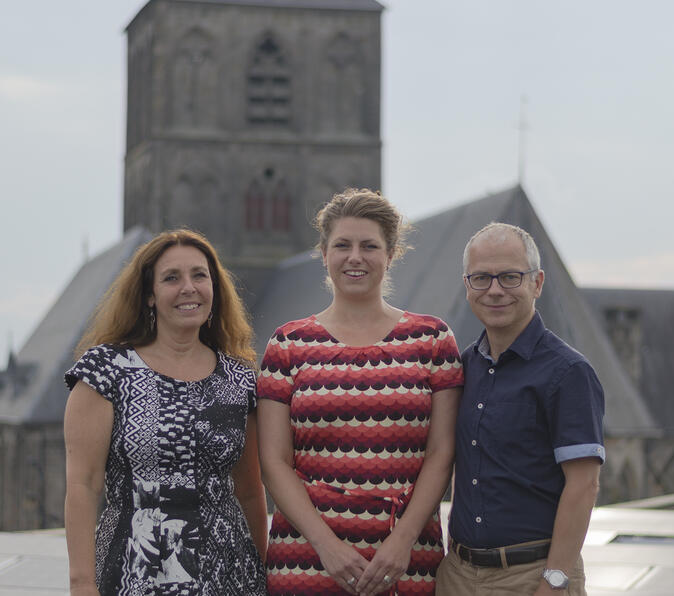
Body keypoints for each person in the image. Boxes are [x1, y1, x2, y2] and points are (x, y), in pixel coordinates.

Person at [257, 188, 463, 596]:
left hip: (405, 562)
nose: (355, 257)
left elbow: (441, 454)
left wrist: (402, 542)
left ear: (390, 254)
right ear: (324, 253)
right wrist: (326, 546)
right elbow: (274, 462)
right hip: (305, 561)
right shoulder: (287, 345)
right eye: (342, 245)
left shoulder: (433, 340)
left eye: (370, 246)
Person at [63, 229, 268, 596]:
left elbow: (251, 491)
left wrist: (264, 573)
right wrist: (81, 583)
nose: (188, 287)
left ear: (214, 289)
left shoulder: (239, 378)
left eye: (199, 275)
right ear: (149, 296)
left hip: (230, 578)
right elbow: (83, 485)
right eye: (171, 278)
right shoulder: (107, 370)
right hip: (136, 574)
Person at [436, 223, 605, 596]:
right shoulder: (465, 367)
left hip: (532, 577)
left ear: (537, 283)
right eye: (481, 278)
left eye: (510, 277)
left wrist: (556, 580)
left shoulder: (568, 372)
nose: (495, 290)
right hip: (458, 576)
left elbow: (584, 484)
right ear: (467, 287)